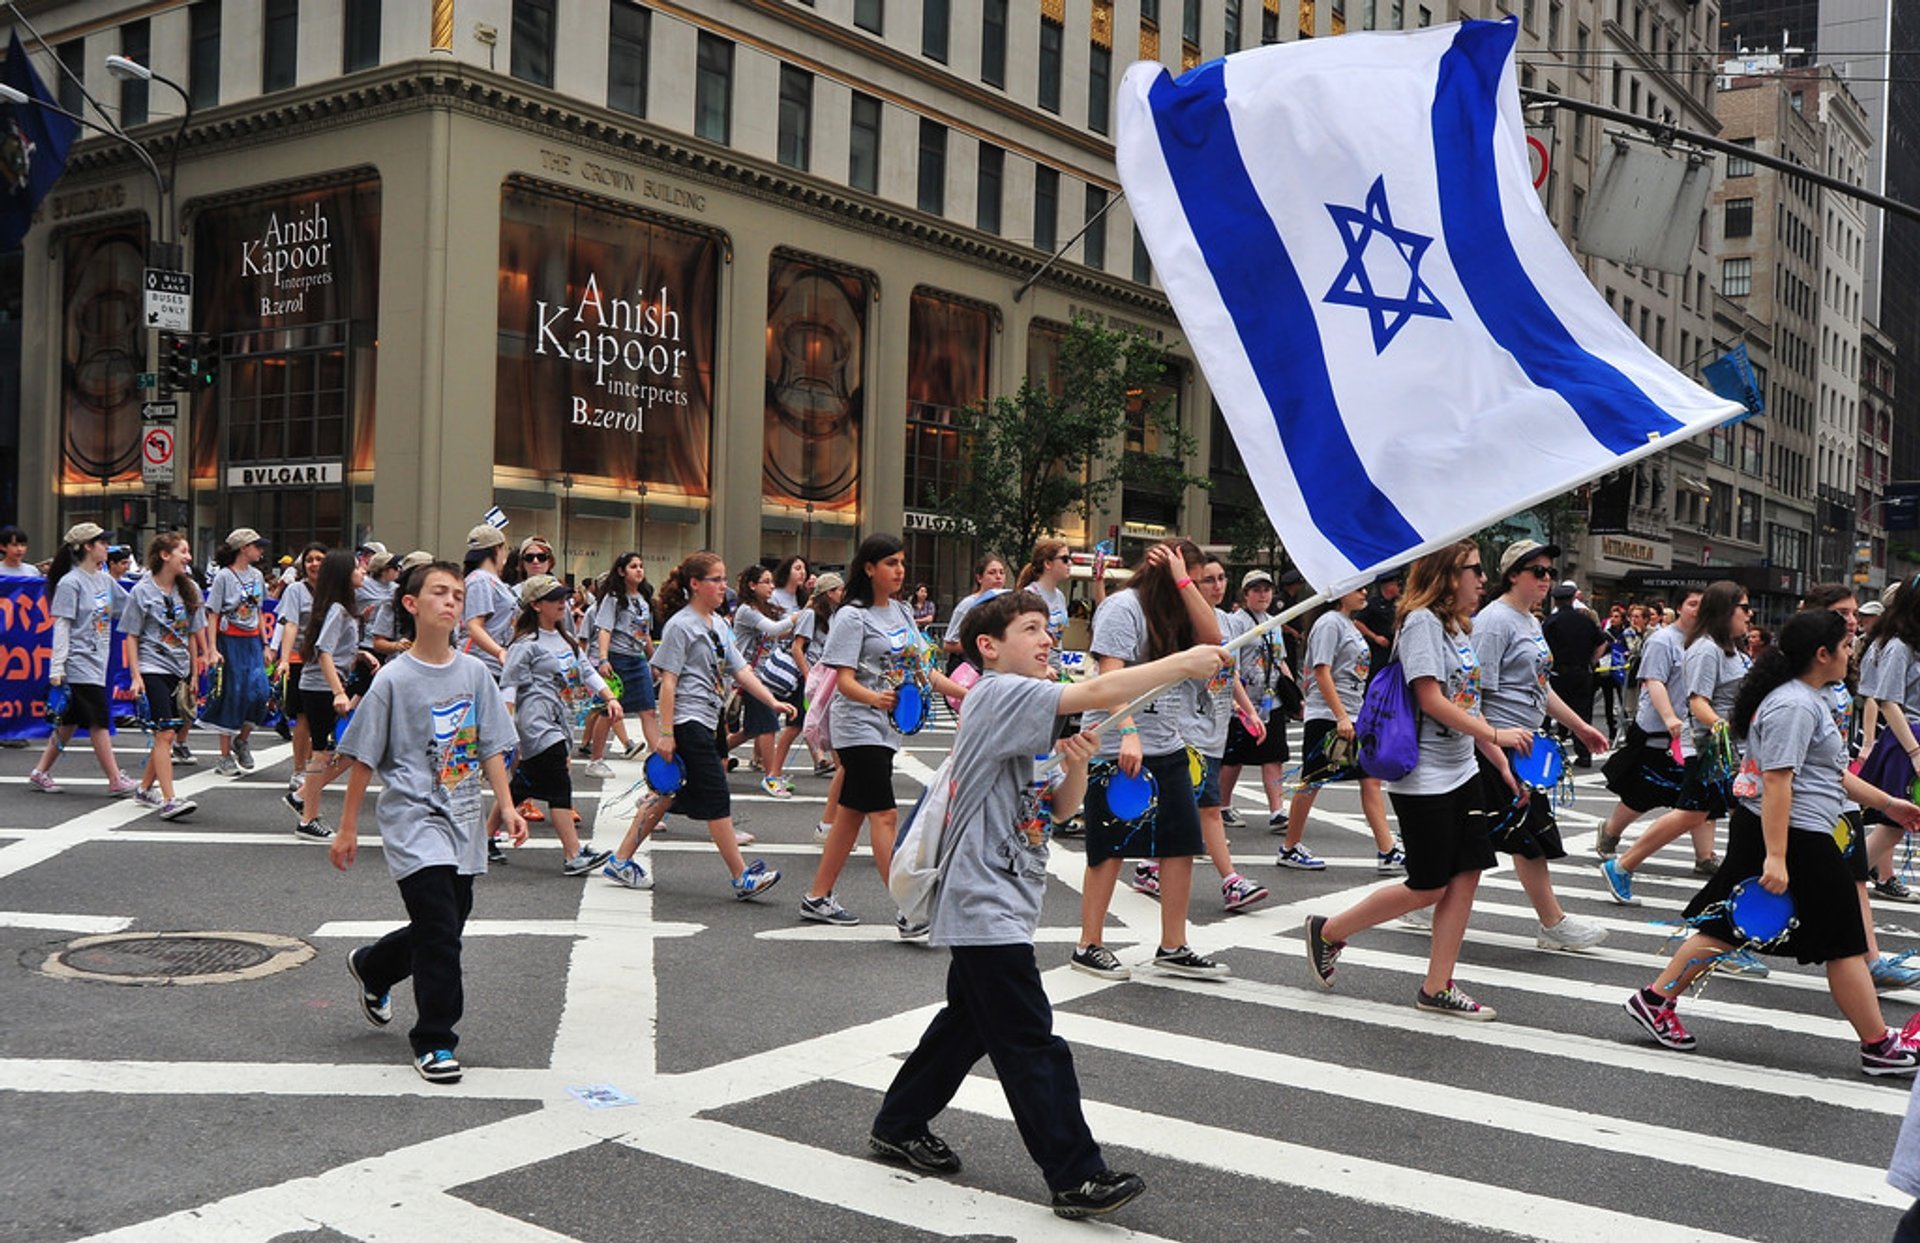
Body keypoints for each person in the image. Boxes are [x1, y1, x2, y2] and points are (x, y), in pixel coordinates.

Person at [868, 591, 1224, 1220]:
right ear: (988, 646)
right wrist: (1181, 663)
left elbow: (1058, 810)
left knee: (968, 1025)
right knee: (1030, 1041)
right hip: (983, 900)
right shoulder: (997, 693)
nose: (1045, 639)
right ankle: (1076, 1175)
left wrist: (1078, 767)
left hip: (1007, 894)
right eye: (1029, 628)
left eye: (1048, 629)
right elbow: (1091, 694)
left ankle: (897, 1124)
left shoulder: (1029, 712)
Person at [1621, 608, 1920, 1076]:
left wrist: (1890, 804)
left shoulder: (1807, 698)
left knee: (1726, 925)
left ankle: (1655, 999)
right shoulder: (1794, 706)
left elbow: (1830, 774)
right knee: (1845, 939)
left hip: (1786, 829)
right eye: (1845, 647)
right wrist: (1777, 857)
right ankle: (1878, 1045)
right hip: (1789, 833)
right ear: (1822, 654)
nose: (1851, 654)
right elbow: (1779, 782)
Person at [1305, 540, 1528, 1020]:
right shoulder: (1422, 623)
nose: (1482, 579)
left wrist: (1497, 759)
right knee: (1428, 886)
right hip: (1424, 777)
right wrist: (1497, 734)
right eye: (1473, 570)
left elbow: (1466, 701)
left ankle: (1437, 986)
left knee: (1467, 873)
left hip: (1463, 768)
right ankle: (1328, 930)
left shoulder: (1457, 627)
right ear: (1447, 575)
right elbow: (1429, 699)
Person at [328, 561, 529, 1085]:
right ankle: (436, 1039)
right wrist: (348, 827)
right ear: (412, 605)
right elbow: (364, 757)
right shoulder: (393, 679)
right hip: (413, 820)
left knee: (446, 921)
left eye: (458, 595)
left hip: (462, 818)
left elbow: (491, 746)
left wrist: (505, 806)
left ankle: (374, 967)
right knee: (441, 930)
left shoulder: (474, 674)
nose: (451, 602)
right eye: (440, 593)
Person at [1070, 539, 1229, 981]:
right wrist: (1128, 734)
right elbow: (1110, 677)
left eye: (1197, 583)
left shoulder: (1180, 610)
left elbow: (1212, 640)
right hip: (1115, 742)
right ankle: (1089, 943)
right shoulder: (1123, 608)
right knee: (1110, 846)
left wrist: (1183, 580)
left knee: (1181, 843)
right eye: (1190, 581)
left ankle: (1173, 945)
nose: (1194, 590)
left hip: (1168, 743)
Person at [599, 552, 791, 897]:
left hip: (710, 717)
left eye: (723, 579)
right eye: (715, 579)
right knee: (716, 794)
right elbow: (669, 682)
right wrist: (667, 733)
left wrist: (772, 700)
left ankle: (620, 859)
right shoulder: (680, 625)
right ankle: (741, 876)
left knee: (666, 794)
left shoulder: (720, 624)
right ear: (695, 584)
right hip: (688, 720)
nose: (722, 586)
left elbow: (741, 670)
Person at [801, 533, 967, 932]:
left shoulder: (903, 612)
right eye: (891, 563)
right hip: (857, 728)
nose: (900, 570)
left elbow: (923, 672)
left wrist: (970, 694)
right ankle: (908, 908)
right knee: (885, 814)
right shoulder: (851, 616)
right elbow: (842, 679)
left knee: (850, 816)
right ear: (869, 568)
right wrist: (874, 699)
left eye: (902, 562)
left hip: (887, 729)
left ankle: (817, 896)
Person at [1600, 583, 1756, 969]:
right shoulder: (1704, 648)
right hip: (1709, 749)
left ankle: (1725, 929)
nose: (1749, 615)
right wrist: (1722, 730)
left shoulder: (1733, 648)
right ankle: (1622, 866)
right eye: (1743, 608)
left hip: (1730, 749)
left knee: (1723, 822)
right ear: (1725, 610)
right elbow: (1696, 701)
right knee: (1695, 815)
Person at [1465, 540, 1608, 951]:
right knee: (1523, 834)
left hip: (1523, 746)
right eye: (1538, 572)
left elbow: (1539, 688)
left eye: (1549, 571)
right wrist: (1495, 748)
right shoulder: (1494, 622)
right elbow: (1471, 697)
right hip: (1497, 744)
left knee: (1490, 833)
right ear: (1513, 575)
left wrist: (1581, 726)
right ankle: (1553, 923)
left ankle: (1424, 898)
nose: (1546, 579)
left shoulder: (1529, 621)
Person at [498, 574, 620, 875]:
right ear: (536, 605)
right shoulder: (525, 644)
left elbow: (587, 671)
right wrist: (507, 728)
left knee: (521, 785)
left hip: (560, 720)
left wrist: (609, 697)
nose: (563, 603)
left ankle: (483, 838)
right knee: (559, 784)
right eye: (555, 599)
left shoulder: (566, 638)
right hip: (535, 722)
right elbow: (509, 686)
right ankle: (573, 854)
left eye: (564, 597)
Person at [1277, 583, 1404, 873]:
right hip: (1329, 718)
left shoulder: (1346, 623)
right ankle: (1289, 847)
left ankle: (1386, 850)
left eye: (1364, 588)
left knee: (1370, 779)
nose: (1364, 593)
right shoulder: (1329, 623)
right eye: (1357, 588)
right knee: (1313, 782)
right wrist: (1341, 717)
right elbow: (1321, 671)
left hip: (1352, 716)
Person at [1593, 587, 1719, 872]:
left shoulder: (1708, 643)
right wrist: (1670, 718)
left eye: (1703, 604)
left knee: (1701, 795)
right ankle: (1611, 832)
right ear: (1678, 607)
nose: (1698, 610)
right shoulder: (1663, 641)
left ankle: (1705, 856)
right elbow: (1654, 682)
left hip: (1695, 732)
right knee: (1643, 792)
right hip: (1658, 731)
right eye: (1692, 603)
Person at [29, 523, 140, 798]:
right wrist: (57, 667)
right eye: (102, 542)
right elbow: (62, 626)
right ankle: (115, 778)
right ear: (88, 547)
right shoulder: (71, 582)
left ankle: (40, 771)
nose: (107, 547)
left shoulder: (104, 580)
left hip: (98, 660)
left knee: (70, 721)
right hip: (79, 662)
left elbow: (128, 609)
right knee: (99, 721)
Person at [120, 533, 209, 820]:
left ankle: (145, 788)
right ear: (164, 555)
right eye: (183, 551)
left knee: (166, 735)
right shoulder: (141, 591)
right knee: (166, 731)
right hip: (152, 666)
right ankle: (170, 799)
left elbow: (194, 632)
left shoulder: (190, 588)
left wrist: (195, 671)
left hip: (180, 668)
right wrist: (136, 676)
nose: (189, 557)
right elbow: (131, 636)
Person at [293, 550, 376, 841]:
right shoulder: (338, 609)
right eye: (358, 568)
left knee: (338, 751)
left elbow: (334, 649)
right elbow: (323, 651)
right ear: (344, 574)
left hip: (323, 685)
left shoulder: (340, 608)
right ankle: (308, 819)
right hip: (320, 687)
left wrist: (360, 654)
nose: (363, 572)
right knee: (323, 753)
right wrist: (339, 692)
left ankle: (304, 799)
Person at [1220, 569, 1298, 835]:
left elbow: (1281, 660)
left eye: (1266, 589)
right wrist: (1237, 702)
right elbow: (1233, 665)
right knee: (1234, 759)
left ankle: (1277, 811)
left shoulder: (1274, 622)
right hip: (1243, 703)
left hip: (1271, 701)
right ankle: (1222, 805)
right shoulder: (1236, 622)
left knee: (1274, 756)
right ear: (1245, 594)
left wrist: (1295, 696)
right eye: (1256, 590)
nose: (1262, 594)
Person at [202, 528, 273, 777]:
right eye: (256, 545)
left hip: (252, 641)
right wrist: (212, 648)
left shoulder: (257, 576)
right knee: (231, 693)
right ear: (243, 548)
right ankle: (224, 756)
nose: (260, 550)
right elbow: (213, 613)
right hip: (229, 640)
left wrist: (266, 644)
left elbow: (259, 611)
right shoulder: (224, 576)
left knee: (260, 692)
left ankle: (242, 740)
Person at [729, 563, 802, 797]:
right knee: (768, 725)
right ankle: (771, 777)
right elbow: (774, 629)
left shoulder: (764, 608)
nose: (772, 587)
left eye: (772, 582)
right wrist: (800, 614)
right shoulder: (747, 611)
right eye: (766, 582)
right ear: (752, 585)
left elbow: (780, 631)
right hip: (749, 676)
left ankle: (710, 752)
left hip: (760, 677)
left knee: (751, 729)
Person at [587, 551, 658, 776]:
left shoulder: (644, 601)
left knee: (648, 710)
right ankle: (595, 760)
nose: (639, 570)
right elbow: (605, 628)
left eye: (641, 566)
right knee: (609, 712)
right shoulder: (614, 598)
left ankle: (658, 760)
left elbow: (645, 634)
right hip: (617, 658)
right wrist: (603, 659)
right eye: (633, 566)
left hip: (638, 660)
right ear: (621, 571)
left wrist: (653, 660)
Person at [275, 542, 328, 809]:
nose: (315, 564)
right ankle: (299, 770)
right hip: (300, 659)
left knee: (322, 722)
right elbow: (291, 624)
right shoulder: (296, 590)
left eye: (320, 559)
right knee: (303, 718)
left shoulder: (333, 591)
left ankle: (312, 768)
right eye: (310, 560)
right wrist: (284, 659)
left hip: (328, 663)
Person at [1541, 581, 1607, 767]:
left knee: (1548, 713)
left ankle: (1544, 753)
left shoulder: (1550, 622)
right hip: (1582, 672)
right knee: (1582, 713)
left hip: (1558, 673)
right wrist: (1592, 661)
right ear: (1572, 599)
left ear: (1556, 602)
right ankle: (1584, 754)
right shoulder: (1585, 620)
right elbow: (1602, 642)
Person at [461, 524, 517, 682]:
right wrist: (499, 652)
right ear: (497, 550)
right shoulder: (480, 580)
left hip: (493, 664)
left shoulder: (490, 580)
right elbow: (473, 626)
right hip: (483, 664)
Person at [942, 554, 1009, 674]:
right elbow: (948, 644)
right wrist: (982, 646)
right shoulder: (968, 604)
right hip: (969, 673)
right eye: (992, 573)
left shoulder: (1007, 604)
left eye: (1001, 572)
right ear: (979, 578)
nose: (998, 577)